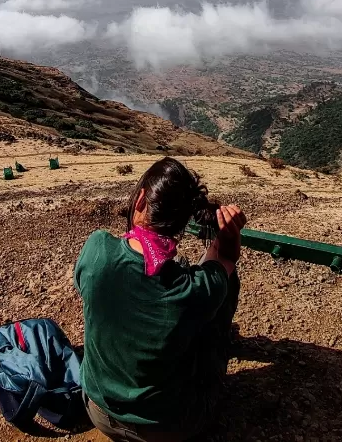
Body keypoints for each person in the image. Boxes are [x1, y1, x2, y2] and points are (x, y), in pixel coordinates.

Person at [74, 157, 246, 441]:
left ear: (141, 199)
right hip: (170, 427)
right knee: (222, 285)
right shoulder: (195, 290)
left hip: (98, 410)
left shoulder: (97, 250)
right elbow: (226, 258)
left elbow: (94, 287)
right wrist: (225, 234)